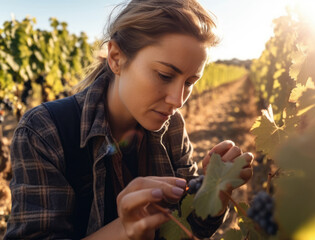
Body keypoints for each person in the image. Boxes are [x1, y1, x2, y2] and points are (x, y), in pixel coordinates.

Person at [5, 0, 253, 239]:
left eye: (189, 83)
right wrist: (124, 231)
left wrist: (214, 191)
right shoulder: (44, 132)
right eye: (165, 75)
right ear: (116, 58)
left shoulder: (173, 127)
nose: (178, 101)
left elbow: (191, 227)